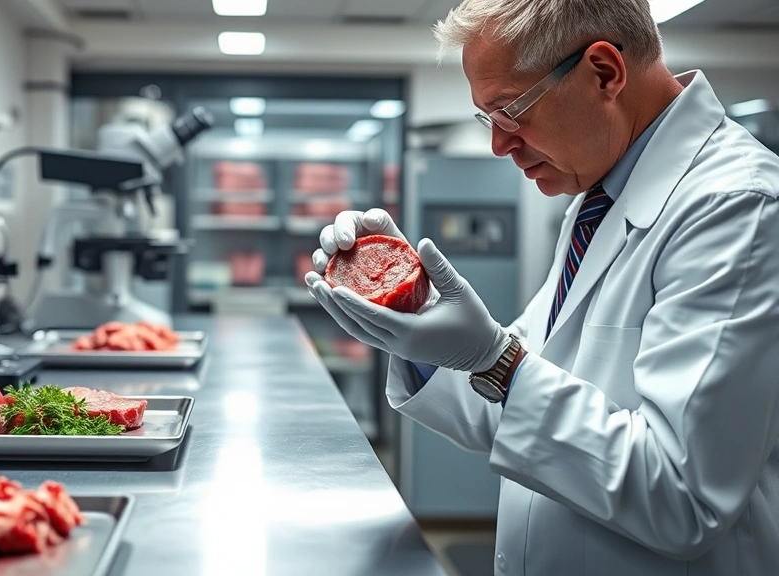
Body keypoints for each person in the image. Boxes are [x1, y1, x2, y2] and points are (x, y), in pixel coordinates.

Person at [305, 0, 779, 574]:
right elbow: (511, 405)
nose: (499, 146)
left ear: (604, 72)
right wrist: (413, 314)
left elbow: (682, 496)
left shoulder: (736, 208)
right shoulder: (598, 198)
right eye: (489, 119)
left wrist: (496, 360)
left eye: (510, 111)